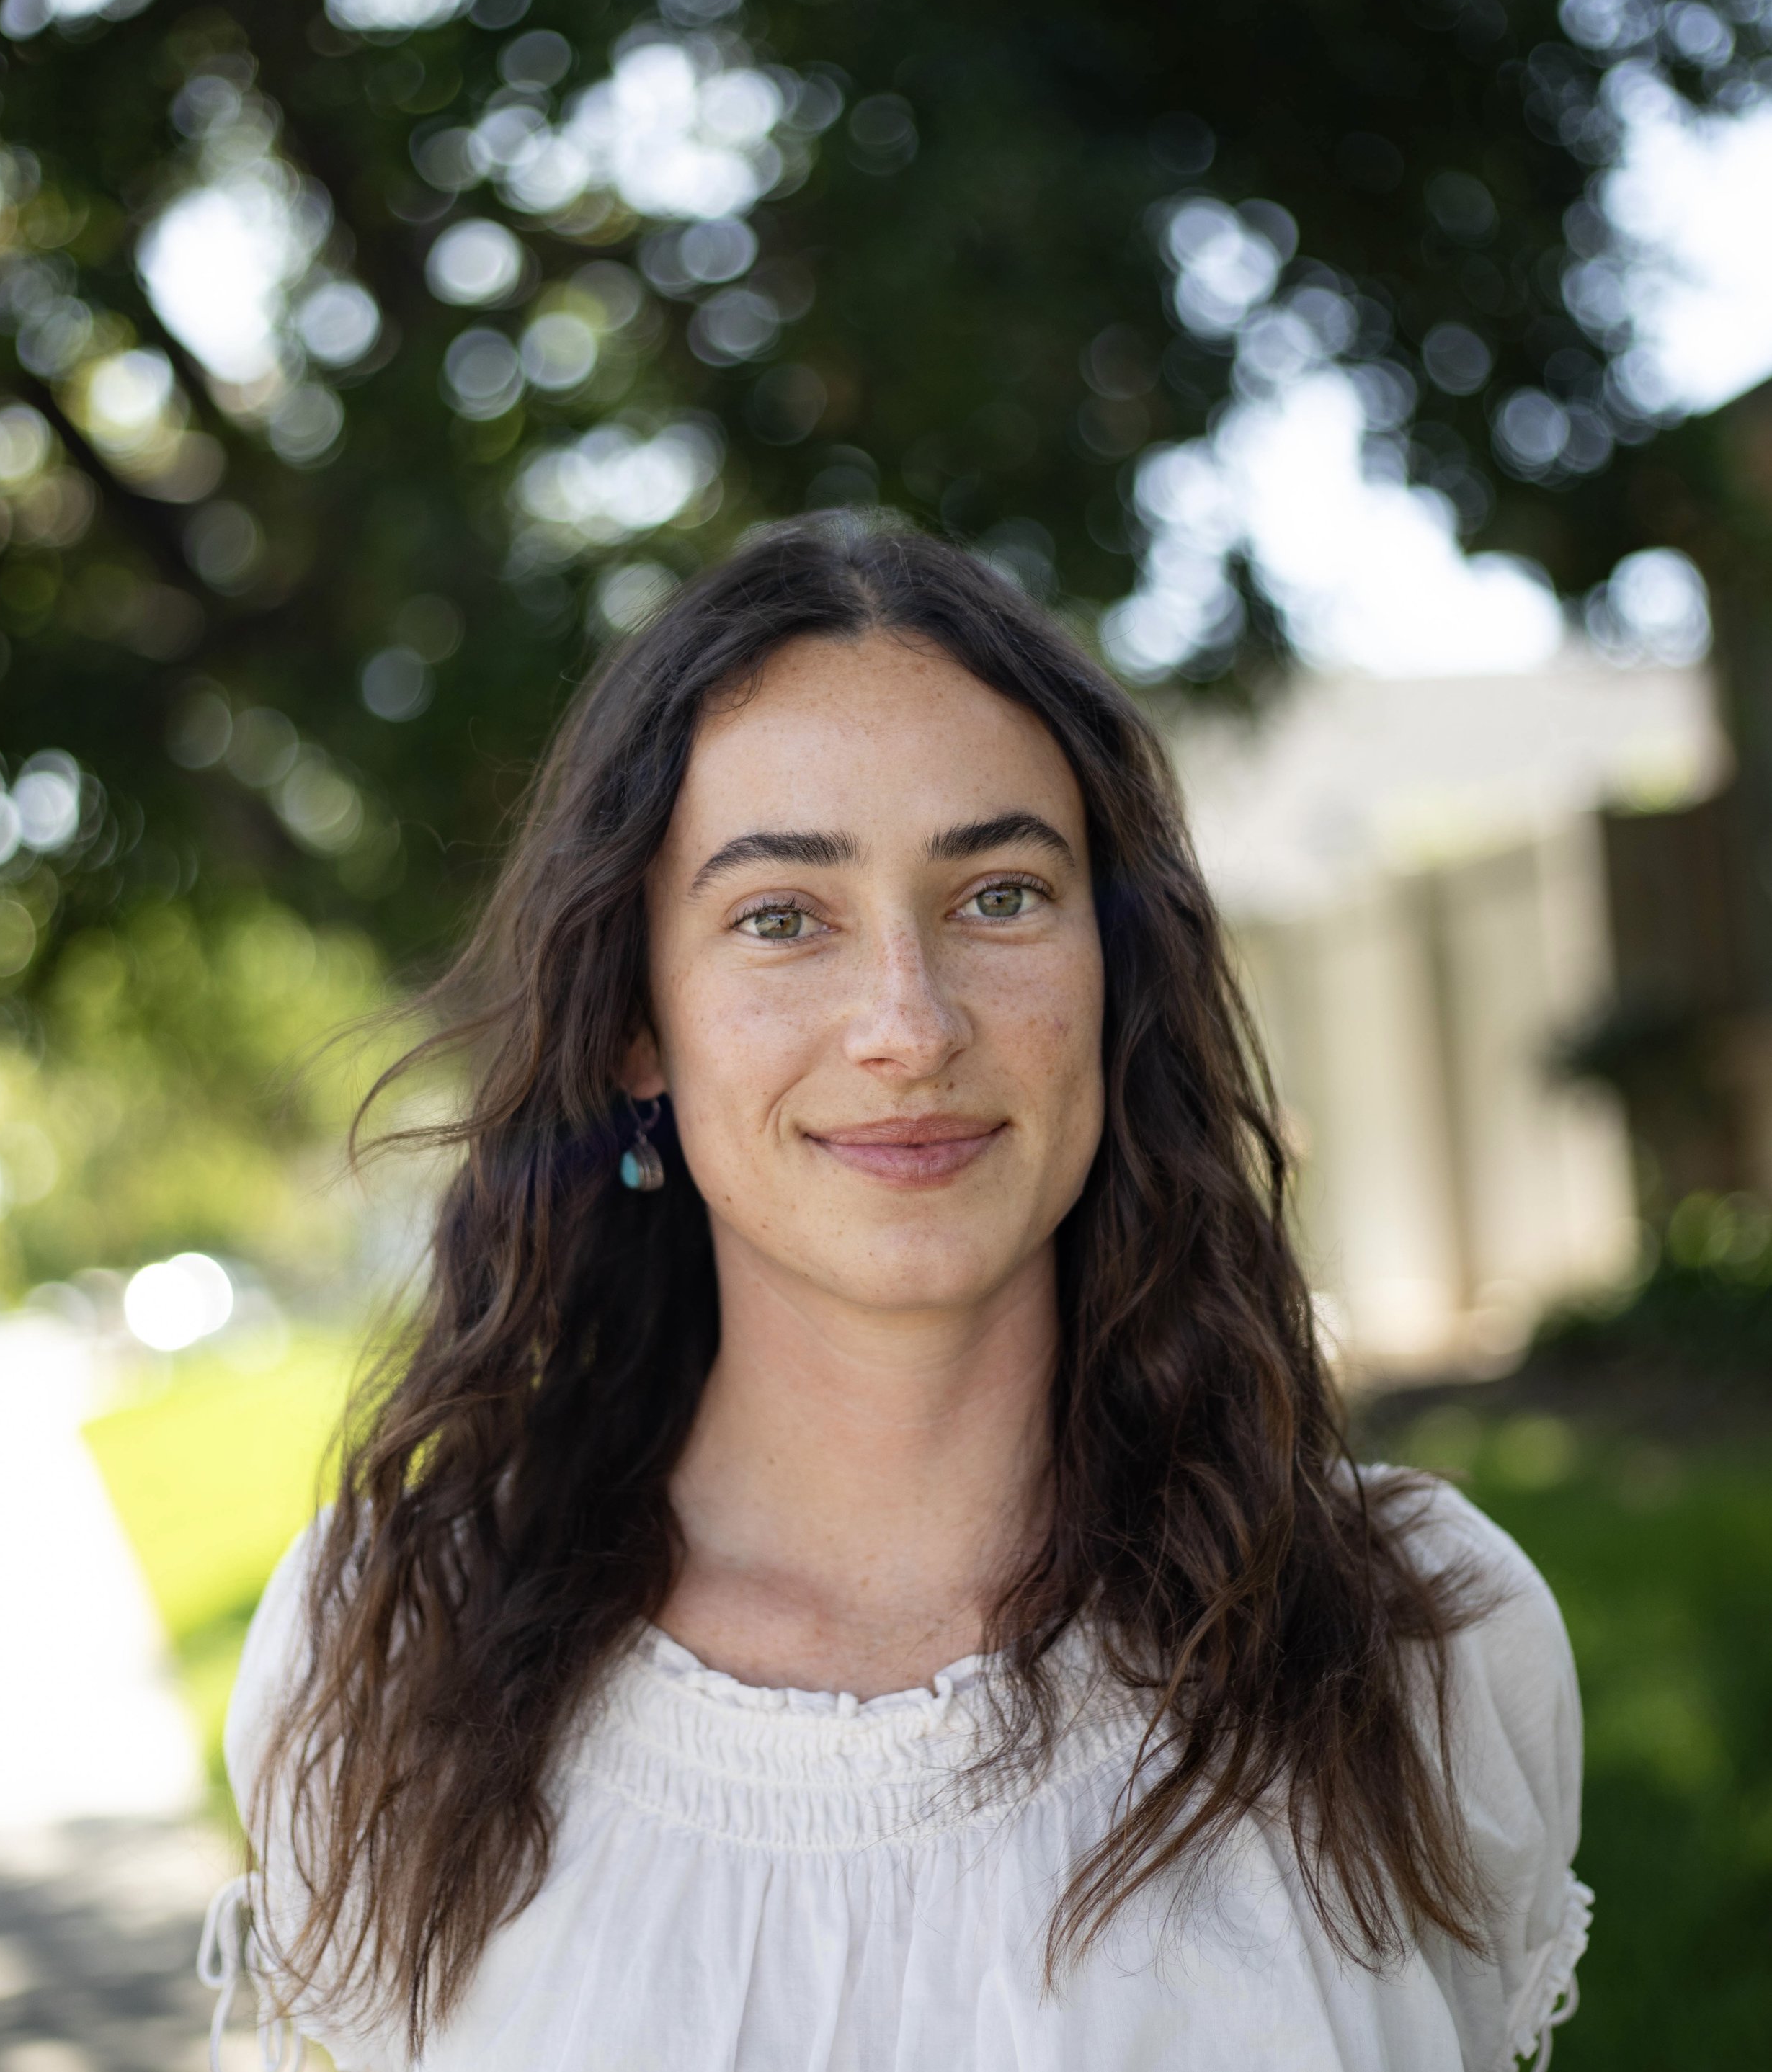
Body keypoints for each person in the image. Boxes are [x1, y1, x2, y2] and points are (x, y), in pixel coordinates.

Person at [205, 522, 1589, 2072]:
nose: (908, 1025)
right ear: (633, 1026)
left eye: (998, 895)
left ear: (1111, 973)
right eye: (780, 916)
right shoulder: (392, 1656)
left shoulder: (1418, 1649)